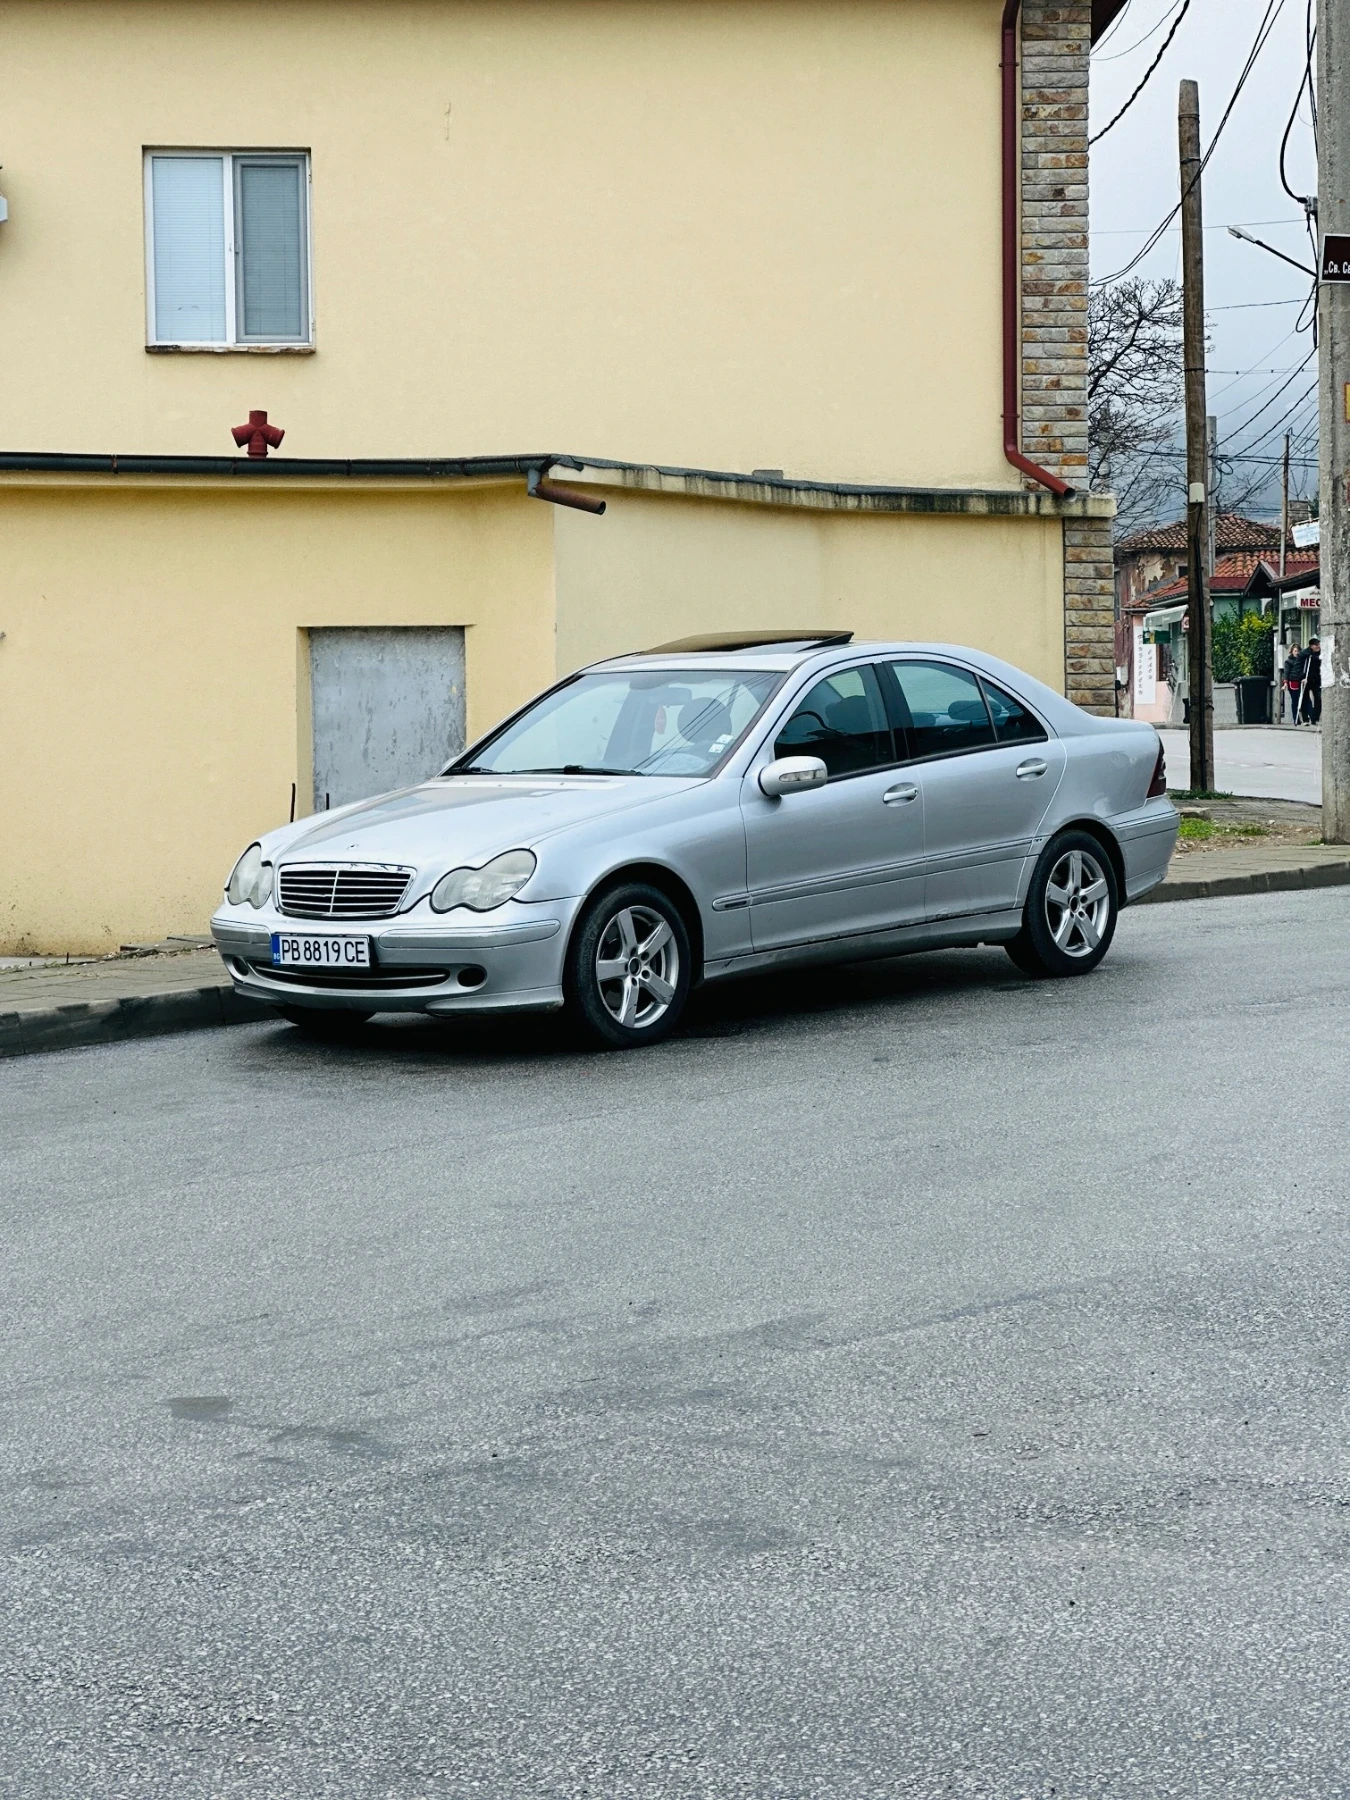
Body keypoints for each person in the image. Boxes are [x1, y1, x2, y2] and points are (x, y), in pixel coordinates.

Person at [1300, 637, 1322, 725]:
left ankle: (1315, 718)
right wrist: (1302, 677)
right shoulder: (1305, 653)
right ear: (1311, 646)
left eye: (1319, 644)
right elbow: (1299, 666)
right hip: (1306, 679)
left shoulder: (1321, 653)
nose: (1318, 646)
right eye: (1316, 645)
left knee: (1318, 699)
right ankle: (1305, 719)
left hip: (1317, 679)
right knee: (1304, 699)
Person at [1284, 642, 1304, 725]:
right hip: (1293, 682)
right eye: (1295, 651)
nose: (1297, 653)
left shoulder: (1302, 660)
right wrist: (1285, 683)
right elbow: (1286, 673)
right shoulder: (1288, 662)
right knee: (1295, 701)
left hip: (1301, 682)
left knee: (1304, 700)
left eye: (1298, 651)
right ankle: (1296, 719)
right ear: (1292, 652)